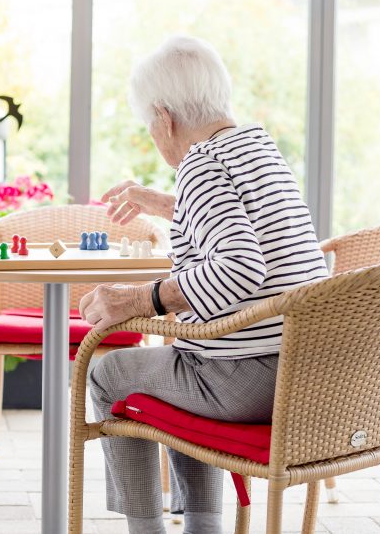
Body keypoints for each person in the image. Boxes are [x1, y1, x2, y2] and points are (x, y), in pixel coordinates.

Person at [79, 35, 329, 534]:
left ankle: (145, 530)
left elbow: (239, 267)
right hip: (310, 368)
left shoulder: (200, 164)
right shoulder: (257, 147)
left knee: (109, 375)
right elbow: (248, 222)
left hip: (253, 380)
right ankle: (201, 525)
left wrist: (138, 299)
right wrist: (168, 204)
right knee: (187, 356)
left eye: (150, 126)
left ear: (164, 118)